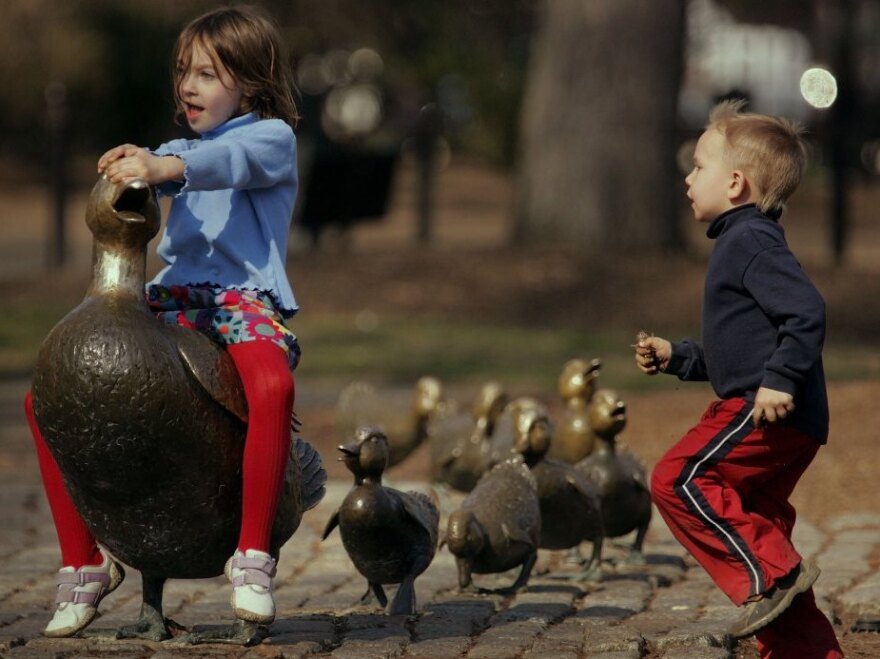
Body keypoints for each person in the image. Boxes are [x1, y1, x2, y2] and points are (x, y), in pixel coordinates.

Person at [25, 5, 301, 636]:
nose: (188, 86)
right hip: (167, 301)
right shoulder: (179, 149)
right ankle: (84, 562)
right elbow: (162, 163)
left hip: (238, 302)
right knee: (44, 399)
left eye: (207, 73)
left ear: (251, 83)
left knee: (272, 387)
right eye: (184, 72)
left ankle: (253, 555)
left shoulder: (272, 138)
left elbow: (221, 165)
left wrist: (163, 168)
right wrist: (131, 163)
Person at [634, 100, 843, 659]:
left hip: (766, 408)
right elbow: (738, 352)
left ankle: (771, 578)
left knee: (677, 478)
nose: (687, 177)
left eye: (698, 165)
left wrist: (778, 381)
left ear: (734, 183)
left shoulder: (749, 241)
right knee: (760, 526)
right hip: (778, 408)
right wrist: (677, 356)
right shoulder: (743, 241)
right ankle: (808, 650)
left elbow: (806, 312)